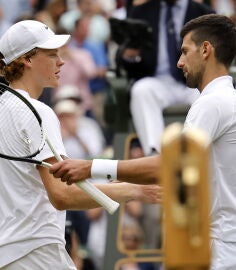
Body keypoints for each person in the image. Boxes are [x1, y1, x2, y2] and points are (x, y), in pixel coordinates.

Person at [50, 14, 236, 269]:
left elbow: (169, 167)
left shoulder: (213, 102)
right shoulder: (224, 100)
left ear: (206, 50)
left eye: (185, 51)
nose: (180, 62)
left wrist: (90, 167)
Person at [0, 19, 161, 270]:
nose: (61, 61)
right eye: (52, 54)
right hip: (35, 251)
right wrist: (136, 190)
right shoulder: (38, 112)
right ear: (26, 60)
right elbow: (62, 195)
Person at [118, 0, 214, 156]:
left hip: (194, 81)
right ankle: (156, 157)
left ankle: (198, 156)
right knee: (141, 90)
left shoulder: (204, 14)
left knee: (210, 95)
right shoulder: (140, 12)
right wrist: (130, 56)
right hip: (157, 81)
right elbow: (123, 56)